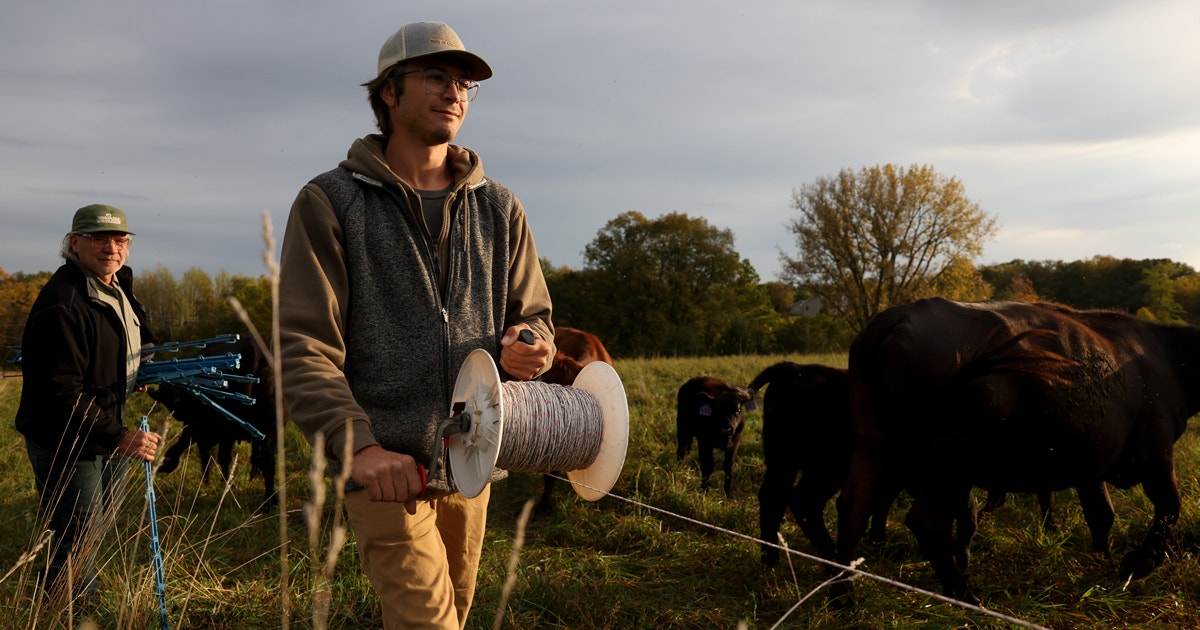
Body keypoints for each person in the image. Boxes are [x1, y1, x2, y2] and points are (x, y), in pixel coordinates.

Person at [278, 21, 555, 629]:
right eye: (435, 76)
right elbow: (303, 347)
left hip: (476, 460)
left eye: (463, 84)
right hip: (385, 470)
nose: (454, 92)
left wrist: (530, 345)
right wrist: (362, 448)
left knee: (455, 612)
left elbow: (533, 316)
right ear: (388, 93)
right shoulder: (329, 202)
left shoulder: (499, 206)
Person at [15, 204, 163, 605]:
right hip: (67, 436)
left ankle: (59, 591)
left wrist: (137, 371)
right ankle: (74, 607)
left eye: (119, 240)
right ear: (74, 243)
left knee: (93, 524)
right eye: (98, 239)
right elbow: (61, 392)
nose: (110, 248)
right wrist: (120, 437)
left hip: (104, 427)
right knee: (78, 527)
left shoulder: (116, 286)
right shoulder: (64, 302)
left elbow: (129, 338)